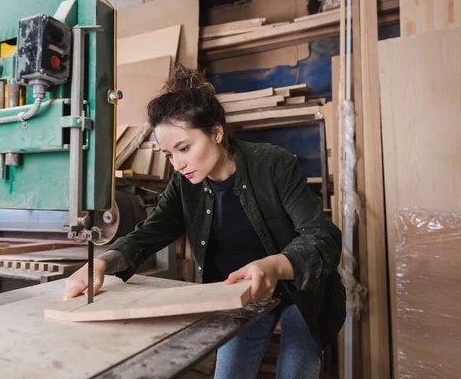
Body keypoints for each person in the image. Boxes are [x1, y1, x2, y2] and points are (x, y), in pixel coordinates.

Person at [64, 64, 346, 379]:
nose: (178, 163)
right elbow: (146, 235)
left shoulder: (275, 164)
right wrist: (102, 263)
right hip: (241, 295)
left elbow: (322, 238)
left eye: (184, 148)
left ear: (216, 132)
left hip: (300, 292)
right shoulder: (183, 185)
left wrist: (275, 266)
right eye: (169, 154)